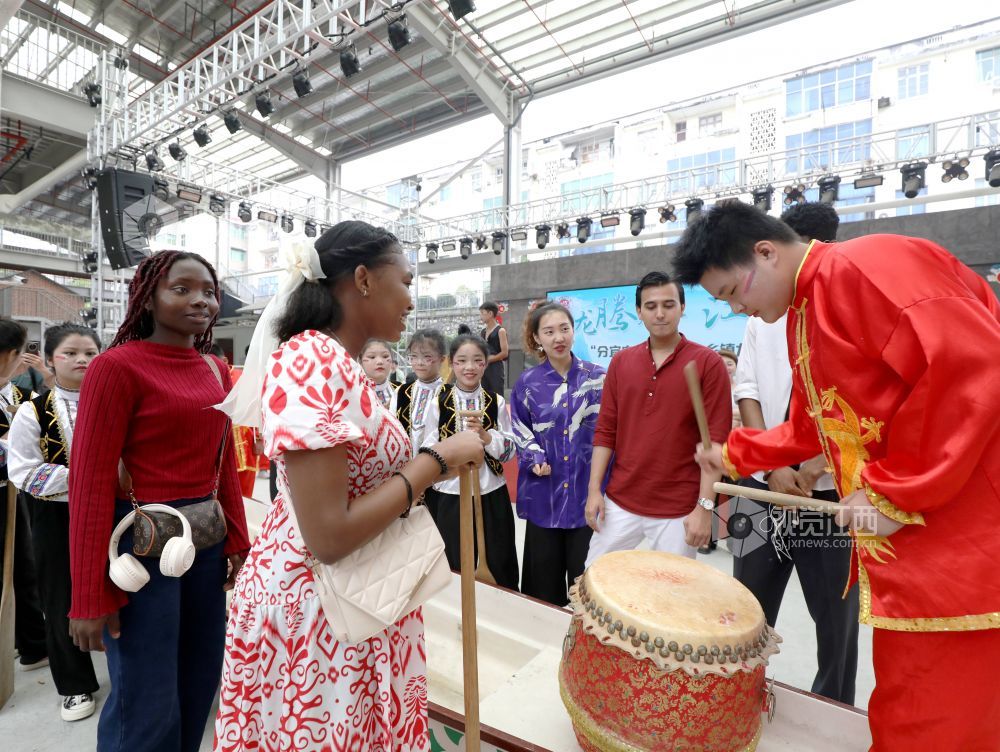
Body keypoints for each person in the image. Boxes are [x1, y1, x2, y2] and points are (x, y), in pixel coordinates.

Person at [674, 200, 1000, 752]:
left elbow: (972, 371)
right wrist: (735, 454)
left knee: (940, 713)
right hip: (918, 542)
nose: (738, 309)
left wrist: (892, 492)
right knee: (906, 695)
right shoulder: (806, 308)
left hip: (963, 534)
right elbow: (816, 424)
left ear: (765, 252)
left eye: (731, 292)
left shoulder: (865, 267)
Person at [213, 221, 484, 751]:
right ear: (362, 279)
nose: (411, 299)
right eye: (405, 282)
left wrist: (436, 464)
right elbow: (329, 535)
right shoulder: (310, 359)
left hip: (354, 599)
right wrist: (435, 460)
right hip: (319, 614)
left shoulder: (337, 362)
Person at [68, 250, 250, 752]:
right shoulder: (114, 367)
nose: (201, 301)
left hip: (203, 546)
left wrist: (238, 539)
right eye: (182, 289)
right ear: (148, 298)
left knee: (198, 683)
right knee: (146, 703)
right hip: (139, 550)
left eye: (209, 291)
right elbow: (89, 485)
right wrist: (88, 595)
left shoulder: (215, 368)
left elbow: (222, 463)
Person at [728, 201, 859, 706]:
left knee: (836, 623)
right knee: (745, 611)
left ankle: (833, 711)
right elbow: (748, 388)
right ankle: (738, 701)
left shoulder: (844, 309)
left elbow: (857, 402)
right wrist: (772, 466)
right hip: (761, 496)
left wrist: (813, 467)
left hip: (828, 501)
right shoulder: (760, 314)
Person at [584, 272, 730, 566]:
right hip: (621, 499)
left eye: (668, 304)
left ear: (682, 307)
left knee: (672, 587)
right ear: (639, 311)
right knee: (593, 576)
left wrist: (704, 507)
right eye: (651, 306)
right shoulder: (621, 362)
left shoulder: (708, 363)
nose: (660, 313)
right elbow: (606, 430)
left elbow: (715, 442)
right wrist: (594, 490)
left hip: (678, 507)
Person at [9, 323, 102, 721]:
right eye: (71, 353)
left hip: (112, 511)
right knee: (60, 595)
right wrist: (84, 477)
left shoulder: (113, 402)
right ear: (49, 360)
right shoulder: (32, 410)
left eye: (90, 353)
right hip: (56, 513)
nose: (82, 360)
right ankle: (74, 684)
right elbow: (23, 470)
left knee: (122, 585)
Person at [511, 301, 605, 606]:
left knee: (588, 591)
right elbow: (520, 429)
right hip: (544, 496)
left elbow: (610, 431)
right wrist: (535, 457)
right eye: (549, 331)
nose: (558, 337)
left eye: (564, 329)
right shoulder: (528, 383)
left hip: (587, 497)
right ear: (537, 338)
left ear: (574, 331)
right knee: (543, 592)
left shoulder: (598, 378)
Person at [421, 334, 519, 590]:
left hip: (490, 492)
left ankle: (498, 605)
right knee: (451, 562)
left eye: (477, 360)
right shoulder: (438, 402)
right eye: (462, 360)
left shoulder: (496, 402)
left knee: (499, 561)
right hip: (450, 495)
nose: (470, 367)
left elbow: (510, 451)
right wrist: (452, 453)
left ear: (485, 364)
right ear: (451, 364)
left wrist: (487, 437)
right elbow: (428, 449)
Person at [0, 318, 48, 674]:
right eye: (19, 354)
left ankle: (29, 642)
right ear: (8, 355)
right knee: (19, 569)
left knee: (22, 568)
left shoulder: (13, 392)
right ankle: (31, 643)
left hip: (12, 493)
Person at [393, 329, 446, 516]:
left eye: (427, 357)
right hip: (404, 476)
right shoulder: (401, 392)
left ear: (442, 359)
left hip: (439, 478)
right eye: (414, 357)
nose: (419, 362)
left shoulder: (449, 394)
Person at [208, 343, 261, 499]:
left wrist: (259, 438)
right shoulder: (206, 377)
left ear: (224, 360)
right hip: (221, 442)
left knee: (246, 491)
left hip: (245, 440)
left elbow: (256, 406)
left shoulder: (242, 377)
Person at [479, 301, 508, 394]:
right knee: (485, 396)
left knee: (497, 395)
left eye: (482, 313)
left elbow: (505, 353)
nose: (480, 316)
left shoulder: (501, 331)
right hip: (485, 368)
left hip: (496, 368)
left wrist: (490, 359)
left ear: (490, 313)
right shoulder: (483, 332)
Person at [359, 337, 397, 408]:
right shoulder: (353, 392)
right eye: (372, 357)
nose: (380, 361)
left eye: (385, 356)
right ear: (360, 361)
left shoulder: (401, 392)